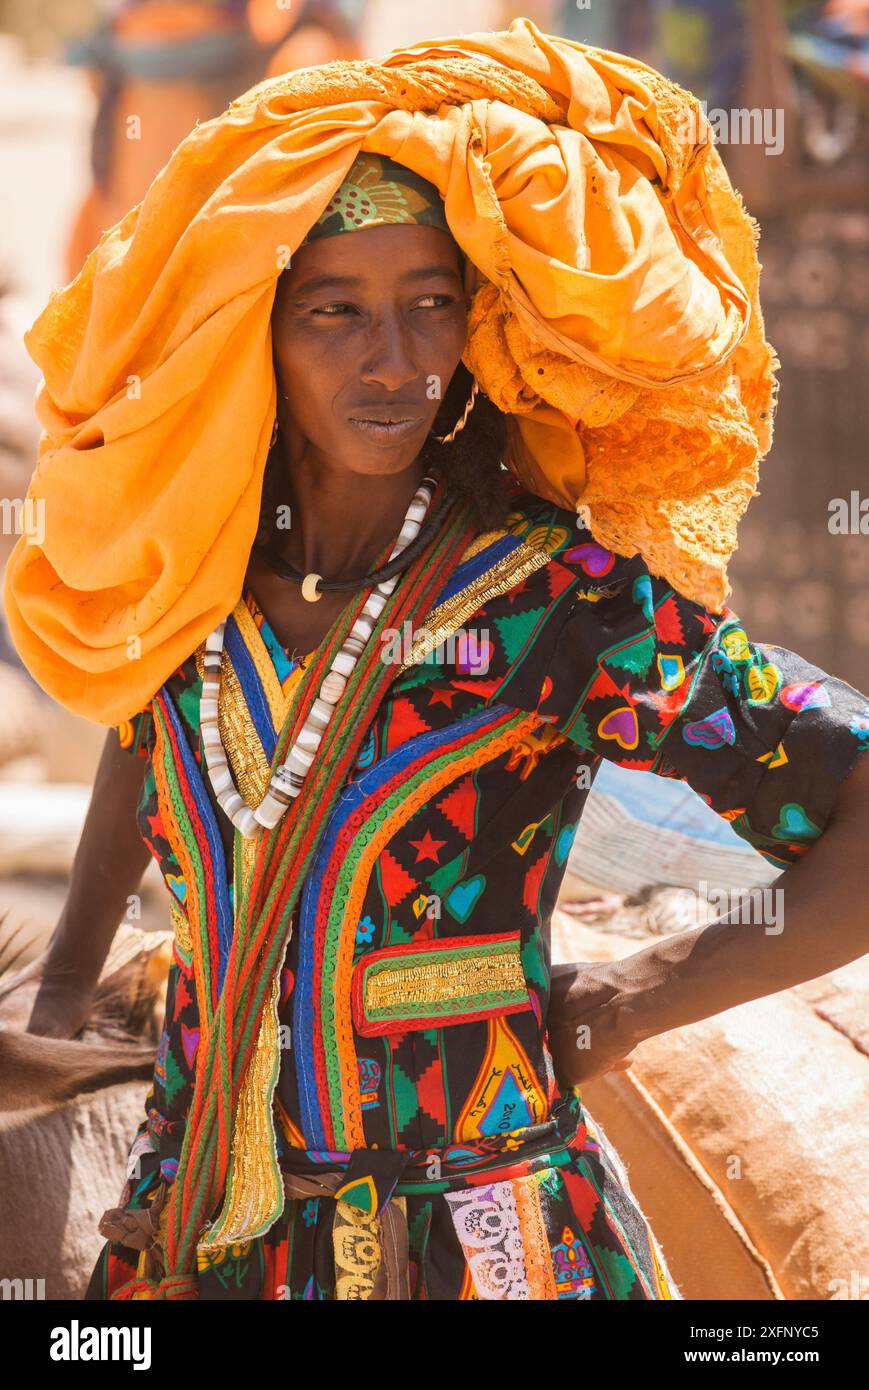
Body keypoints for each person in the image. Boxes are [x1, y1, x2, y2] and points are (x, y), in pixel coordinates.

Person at [4, 20, 869, 1302]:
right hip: (188, 1249)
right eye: (334, 312)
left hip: (477, 1252)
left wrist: (630, 999)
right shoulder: (193, 592)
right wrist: (67, 982)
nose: (394, 361)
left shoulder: (558, 608)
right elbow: (152, 739)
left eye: (429, 307)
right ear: (262, 338)